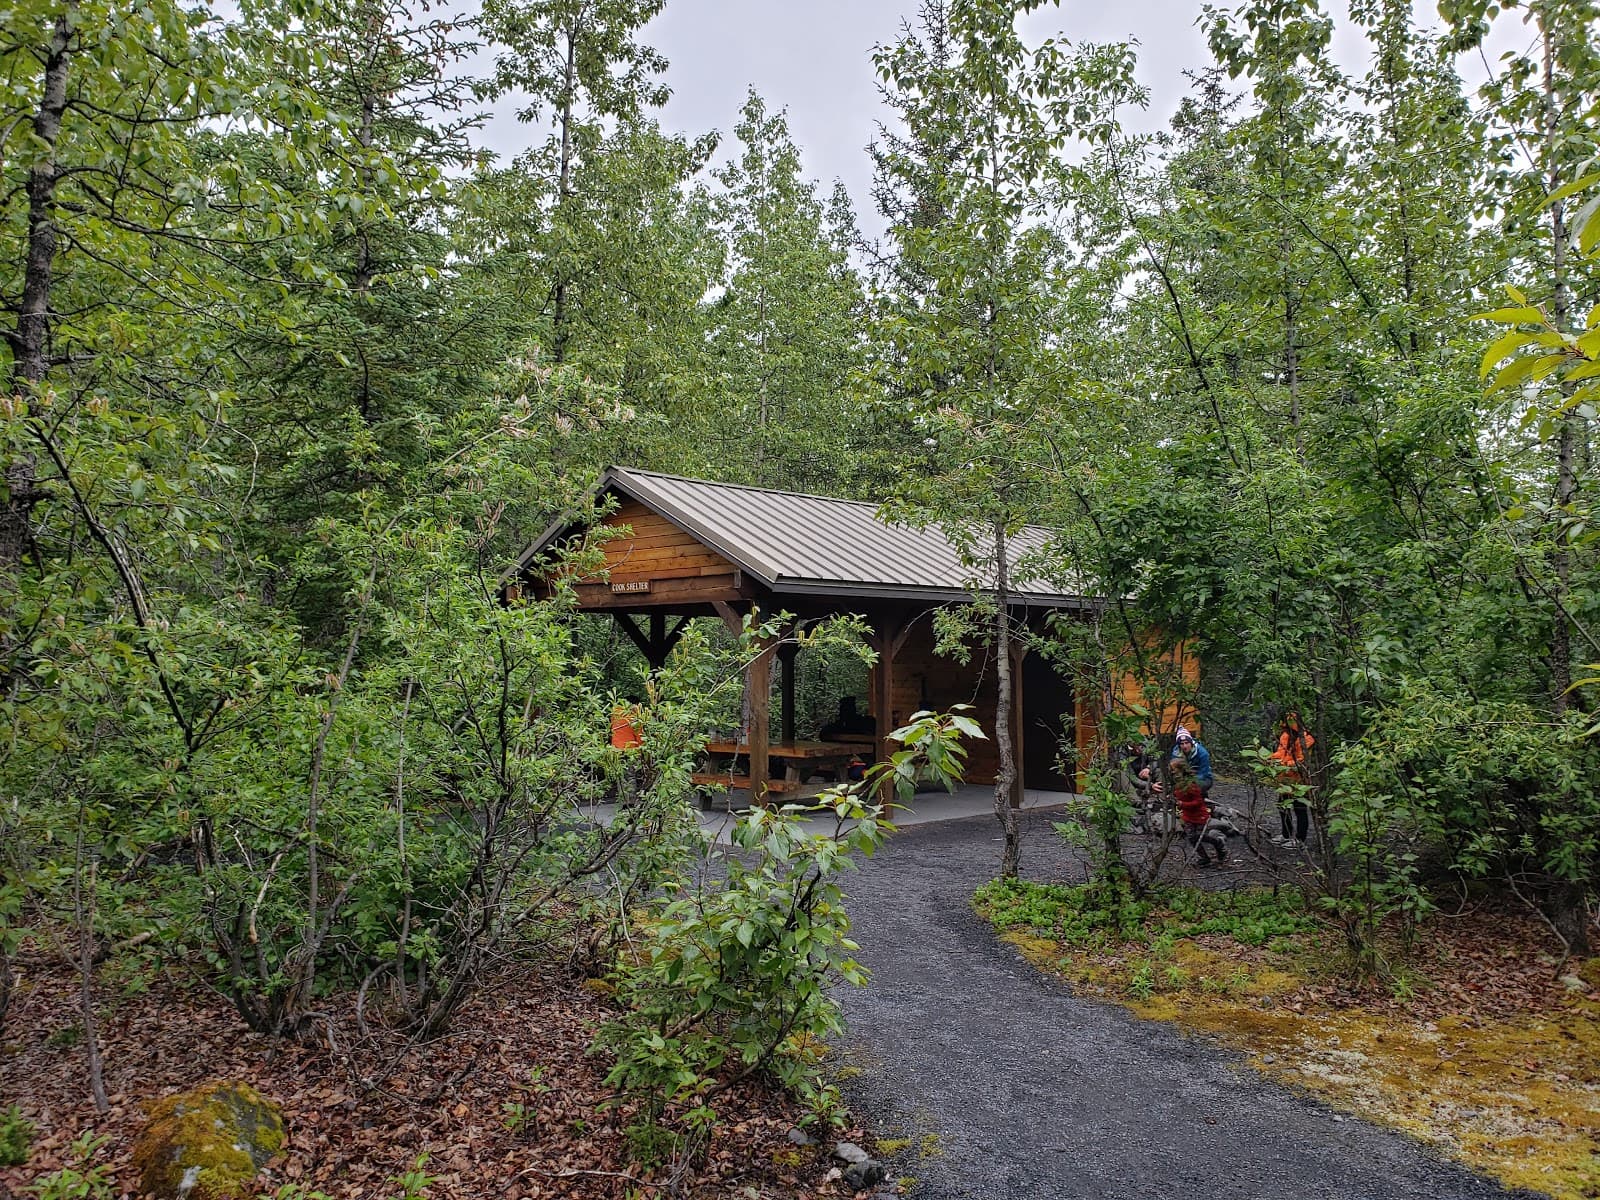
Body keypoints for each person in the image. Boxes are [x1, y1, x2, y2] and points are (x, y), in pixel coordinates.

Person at [1268, 712, 1315, 849]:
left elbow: (1301, 761)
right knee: (1283, 807)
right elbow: (1280, 753)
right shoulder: (1285, 736)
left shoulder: (1306, 739)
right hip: (1285, 779)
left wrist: (1284, 765)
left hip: (1300, 781)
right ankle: (1286, 835)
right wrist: (1270, 759)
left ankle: (1300, 839)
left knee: (1300, 809)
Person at [1173, 757, 1227, 867]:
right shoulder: (1176, 783)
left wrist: (1182, 804)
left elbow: (1198, 802)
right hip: (1187, 816)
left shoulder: (1192, 785)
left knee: (1200, 836)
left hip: (1199, 816)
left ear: (1181, 770)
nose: (1172, 772)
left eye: (1173, 769)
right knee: (1192, 838)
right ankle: (1204, 858)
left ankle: (1218, 844)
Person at [1169, 727, 1213, 796]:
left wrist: (1190, 782)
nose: (1185, 746)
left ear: (1191, 742)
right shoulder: (1175, 753)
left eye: (1187, 743)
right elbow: (1174, 769)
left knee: (1193, 788)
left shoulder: (1203, 753)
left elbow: (1203, 773)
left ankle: (1201, 795)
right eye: (1182, 744)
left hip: (1203, 778)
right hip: (1184, 777)